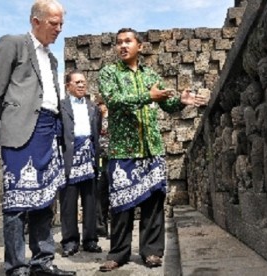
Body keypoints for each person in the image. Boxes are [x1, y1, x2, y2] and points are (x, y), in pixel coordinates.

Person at [97, 27, 207, 272]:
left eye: (128, 41)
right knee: (121, 205)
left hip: (151, 148)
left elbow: (166, 104)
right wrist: (149, 96)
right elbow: (115, 100)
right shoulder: (108, 73)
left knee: (153, 203)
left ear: (140, 46)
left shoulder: (151, 75)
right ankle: (118, 253)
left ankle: (152, 252)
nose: (122, 46)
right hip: (124, 151)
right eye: (119, 42)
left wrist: (180, 100)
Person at [0, 0, 75, 275]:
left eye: (61, 23)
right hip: (21, 129)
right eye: (53, 23)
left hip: (49, 130)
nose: (59, 29)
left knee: (45, 199)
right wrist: (7, 126)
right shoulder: (12, 43)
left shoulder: (52, 58)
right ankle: (16, 266)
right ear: (36, 21)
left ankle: (42, 261)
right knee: (16, 201)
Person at [59, 70, 102, 257]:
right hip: (69, 158)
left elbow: (96, 132)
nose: (81, 85)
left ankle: (90, 239)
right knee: (68, 203)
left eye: (83, 82)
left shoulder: (93, 108)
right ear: (68, 86)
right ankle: (70, 241)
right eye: (77, 82)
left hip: (89, 158)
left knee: (91, 201)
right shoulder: (61, 107)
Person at [95, 96, 110, 239]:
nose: (100, 107)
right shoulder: (96, 119)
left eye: (101, 104)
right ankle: (101, 226)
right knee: (100, 194)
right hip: (100, 159)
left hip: (111, 158)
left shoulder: (112, 119)